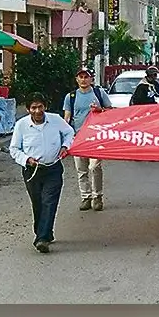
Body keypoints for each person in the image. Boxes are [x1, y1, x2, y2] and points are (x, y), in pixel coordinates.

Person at [9, 93, 75, 253]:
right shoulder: (21, 125)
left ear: (45, 107)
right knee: (38, 203)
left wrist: (65, 146)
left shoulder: (55, 120)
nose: (37, 111)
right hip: (32, 171)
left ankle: (42, 238)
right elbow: (14, 149)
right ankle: (45, 232)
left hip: (53, 168)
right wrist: (27, 160)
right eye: (33, 107)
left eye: (40, 107)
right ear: (28, 109)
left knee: (49, 202)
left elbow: (69, 133)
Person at [63, 66, 112, 211]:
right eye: (81, 77)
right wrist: (65, 136)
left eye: (86, 77)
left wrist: (99, 110)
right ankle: (86, 197)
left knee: (94, 167)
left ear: (91, 79)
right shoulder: (70, 97)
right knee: (81, 169)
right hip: (78, 137)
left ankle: (98, 197)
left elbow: (110, 111)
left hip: (95, 137)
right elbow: (67, 117)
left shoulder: (99, 93)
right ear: (77, 79)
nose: (83, 80)